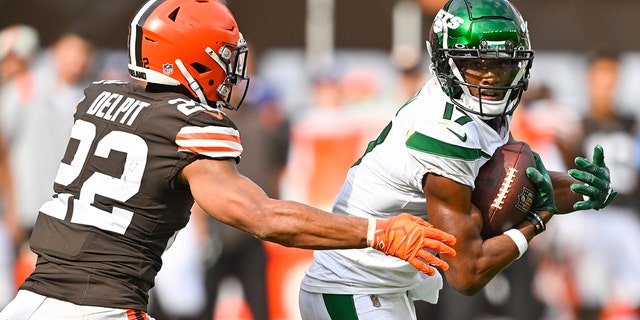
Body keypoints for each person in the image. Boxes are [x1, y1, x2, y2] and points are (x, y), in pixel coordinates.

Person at [0, 0, 457, 319]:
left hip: (31, 299)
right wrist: (378, 233)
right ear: (188, 58)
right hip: (100, 307)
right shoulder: (187, 123)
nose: (231, 69)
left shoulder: (100, 97)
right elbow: (262, 217)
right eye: (222, 56)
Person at [298, 0, 617, 319]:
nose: (492, 78)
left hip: (382, 288)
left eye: (503, 64)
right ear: (446, 63)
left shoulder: (476, 110)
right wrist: (536, 222)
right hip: (352, 287)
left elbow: (521, 182)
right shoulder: (445, 132)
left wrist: (585, 188)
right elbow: (466, 273)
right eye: (478, 65)